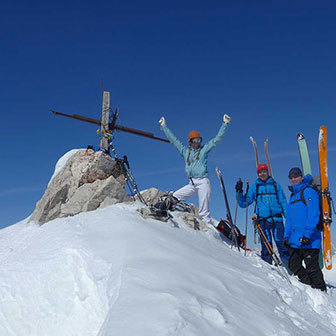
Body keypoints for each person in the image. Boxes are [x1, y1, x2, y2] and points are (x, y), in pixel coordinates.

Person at [158, 114, 231, 227]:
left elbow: (217, 140)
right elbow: (174, 140)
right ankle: (163, 212)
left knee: (203, 213)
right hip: (191, 183)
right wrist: (164, 126)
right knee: (173, 197)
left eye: (199, 140)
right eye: (195, 140)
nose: (197, 142)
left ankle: (209, 234)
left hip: (203, 182)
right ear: (190, 142)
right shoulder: (185, 152)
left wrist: (225, 124)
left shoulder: (203, 151)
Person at [236, 164, 289, 265]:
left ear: (267, 172)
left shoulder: (275, 185)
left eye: (264, 171)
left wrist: (289, 220)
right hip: (263, 221)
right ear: (257, 174)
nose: (262, 174)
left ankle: (291, 271)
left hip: (277, 219)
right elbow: (244, 203)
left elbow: (283, 203)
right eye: (260, 172)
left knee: (282, 244)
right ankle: (268, 273)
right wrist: (239, 192)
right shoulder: (254, 187)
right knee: (266, 246)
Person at [284, 167, 326, 291]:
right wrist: (286, 236)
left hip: (309, 240)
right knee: (294, 265)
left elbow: (313, 214)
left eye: (296, 176)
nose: (294, 179)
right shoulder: (293, 195)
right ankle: (310, 288)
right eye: (291, 177)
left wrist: (307, 235)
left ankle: (321, 292)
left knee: (312, 268)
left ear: (301, 177)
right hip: (295, 240)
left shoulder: (308, 191)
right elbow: (289, 219)